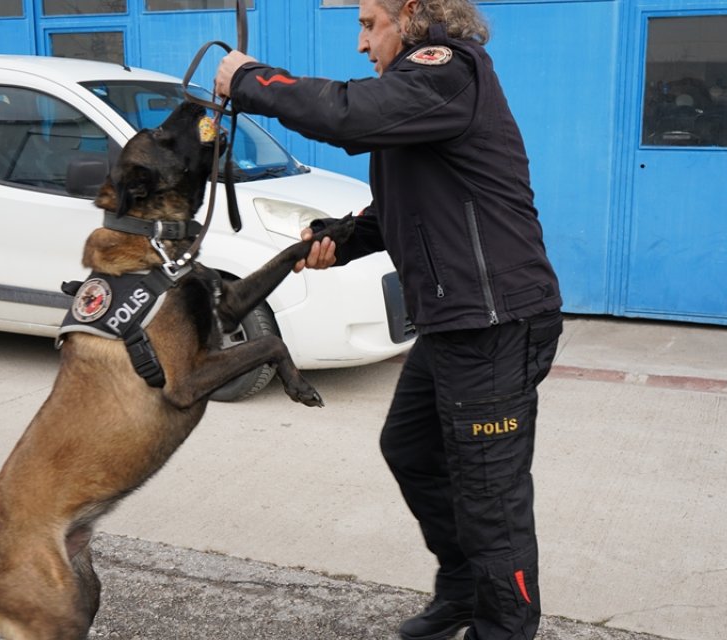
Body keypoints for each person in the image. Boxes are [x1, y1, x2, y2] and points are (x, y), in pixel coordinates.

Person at [215, 1, 562, 638]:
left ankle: (503, 628)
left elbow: (348, 113)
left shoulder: (446, 70)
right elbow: (402, 205)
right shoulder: (424, 97)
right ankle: (462, 593)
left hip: (492, 326)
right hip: (455, 323)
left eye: (367, 23)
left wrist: (249, 79)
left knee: (491, 500)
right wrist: (336, 241)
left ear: (410, 14)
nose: (360, 43)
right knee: (410, 449)